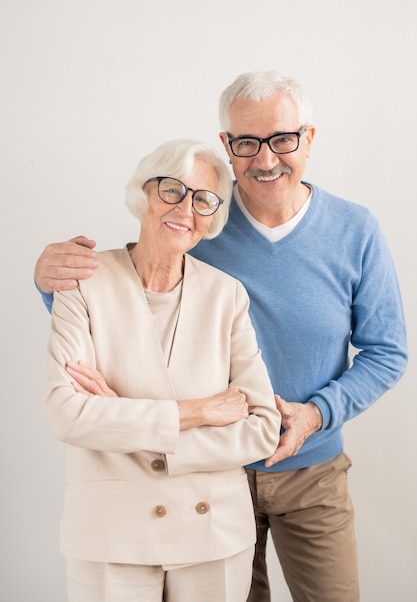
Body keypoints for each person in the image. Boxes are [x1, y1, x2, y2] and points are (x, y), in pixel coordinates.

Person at [35, 72, 408, 602]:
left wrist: (316, 413)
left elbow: (388, 351)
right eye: (247, 142)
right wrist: (51, 280)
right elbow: (125, 301)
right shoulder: (197, 219)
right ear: (227, 146)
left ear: (309, 138)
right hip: (209, 476)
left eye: (282, 139)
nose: (265, 158)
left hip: (313, 471)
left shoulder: (355, 229)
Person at [42, 138, 281, 602]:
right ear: (144, 193)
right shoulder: (83, 282)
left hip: (213, 536)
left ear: (212, 216)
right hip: (112, 535)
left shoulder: (227, 295)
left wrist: (124, 417)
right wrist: (196, 412)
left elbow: (262, 429)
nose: (186, 208)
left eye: (203, 199)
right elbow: (66, 414)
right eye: (172, 189)